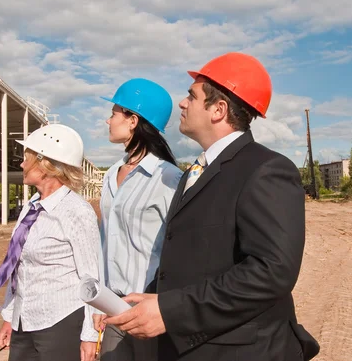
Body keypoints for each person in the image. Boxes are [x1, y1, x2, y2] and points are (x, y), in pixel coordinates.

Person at [104, 53, 320, 361]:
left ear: (218, 110)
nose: (182, 103)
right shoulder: (196, 171)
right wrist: (149, 298)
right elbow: (188, 254)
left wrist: (170, 311)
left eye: (192, 96)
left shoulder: (266, 169)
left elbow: (272, 271)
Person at [0, 124, 100, 361]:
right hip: (25, 321)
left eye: (27, 158)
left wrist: (90, 335)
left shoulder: (76, 211)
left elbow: (92, 277)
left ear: (46, 165)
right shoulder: (31, 207)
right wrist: (10, 317)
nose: (22, 164)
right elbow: (19, 268)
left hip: (60, 323)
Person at [94, 78, 183, 360]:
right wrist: (100, 302)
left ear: (133, 120)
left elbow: (179, 247)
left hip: (148, 308)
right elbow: (105, 240)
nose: (108, 120)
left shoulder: (168, 178)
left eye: (114, 113)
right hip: (113, 305)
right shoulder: (110, 175)